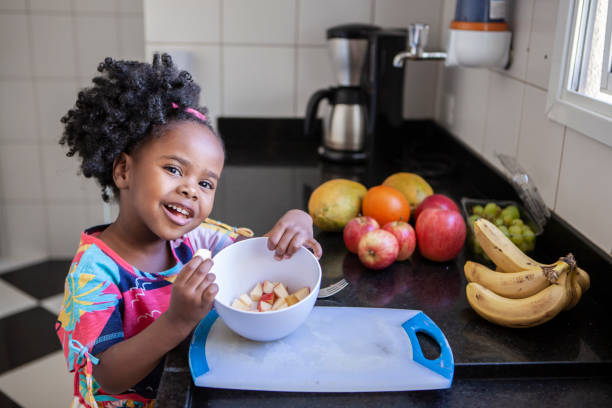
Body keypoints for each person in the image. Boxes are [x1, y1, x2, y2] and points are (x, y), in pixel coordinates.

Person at [55, 53, 323, 408]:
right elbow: (107, 375)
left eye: (206, 183)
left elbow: (256, 254)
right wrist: (176, 321)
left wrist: (298, 224)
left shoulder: (197, 239)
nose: (191, 190)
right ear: (123, 171)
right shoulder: (94, 274)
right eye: (174, 169)